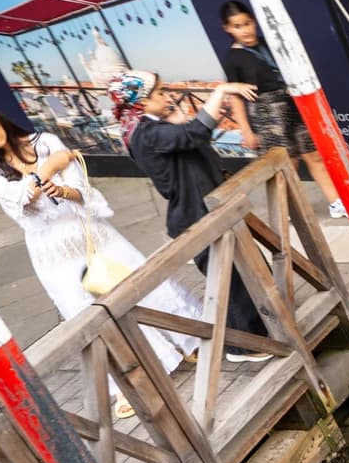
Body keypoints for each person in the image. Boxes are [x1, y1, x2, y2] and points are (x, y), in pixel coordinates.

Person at [0, 97, 205, 414]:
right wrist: (49, 168)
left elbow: (80, 189)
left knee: (142, 286)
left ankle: (186, 340)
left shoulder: (45, 141)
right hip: (52, 250)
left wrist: (61, 189)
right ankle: (130, 380)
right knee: (87, 313)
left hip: (88, 232)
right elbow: (19, 202)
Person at [113, 72, 267, 358]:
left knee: (245, 267)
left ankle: (264, 327)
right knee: (228, 281)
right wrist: (221, 91)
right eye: (159, 93)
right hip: (194, 213)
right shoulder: (146, 134)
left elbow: (190, 140)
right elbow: (194, 134)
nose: (167, 96)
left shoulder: (147, 128)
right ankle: (242, 345)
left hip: (207, 205)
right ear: (142, 101)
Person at [216, 0, 342, 219]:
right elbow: (235, 97)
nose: (244, 30)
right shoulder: (233, 58)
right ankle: (293, 211)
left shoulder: (269, 43)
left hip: (293, 103)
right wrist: (246, 131)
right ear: (227, 29)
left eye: (247, 23)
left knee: (313, 154)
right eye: (237, 26)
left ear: (254, 21)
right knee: (285, 164)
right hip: (267, 112)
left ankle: (335, 202)